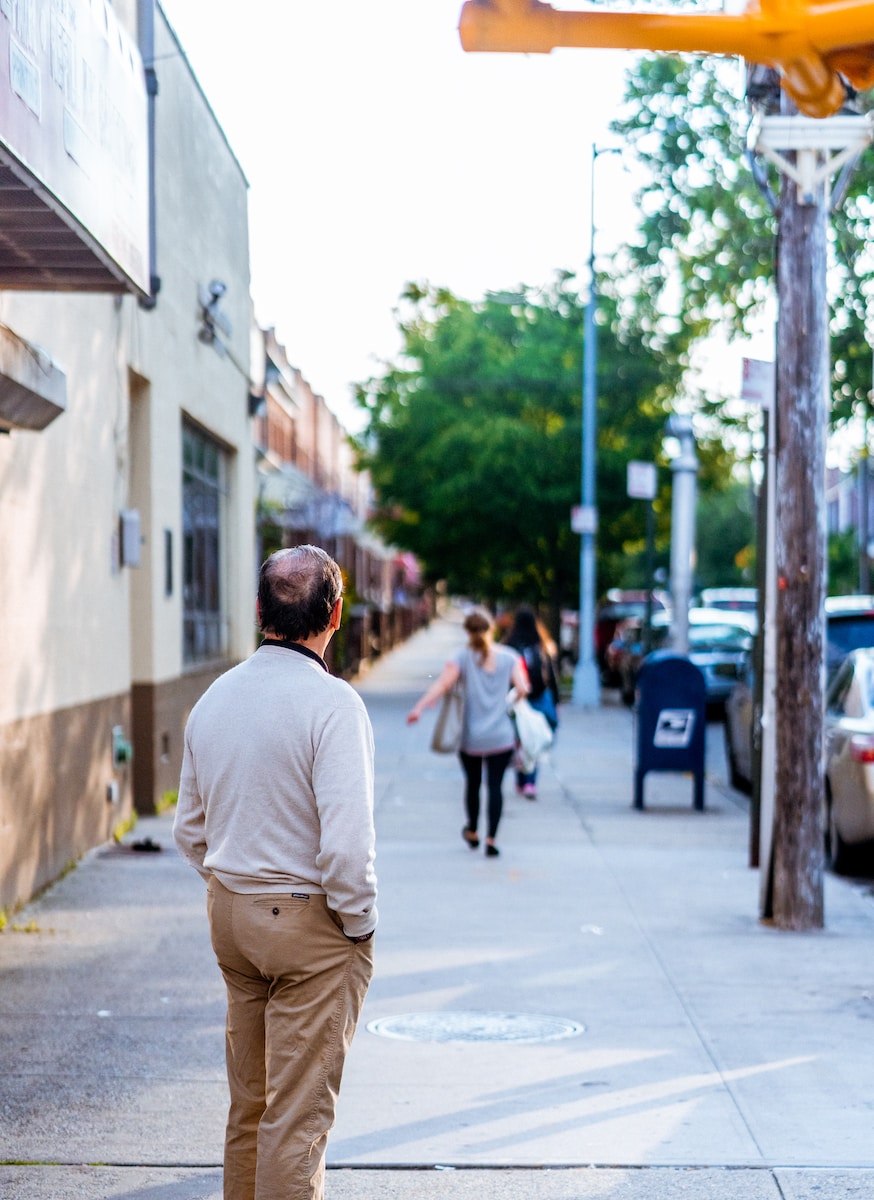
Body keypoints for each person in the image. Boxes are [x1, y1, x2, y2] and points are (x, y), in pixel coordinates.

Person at [173, 545, 377, 1200]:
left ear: (260, 611)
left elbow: (187, 829)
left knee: (252, 1106)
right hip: (307, 927)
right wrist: (359, 925)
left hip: (232, 917)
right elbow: (346, 852)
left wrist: (234, 884)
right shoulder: (332, 705)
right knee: (297, 1117)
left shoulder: (213, 699)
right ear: (336, 614)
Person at [407, 607, 529, 858]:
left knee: (473, 785)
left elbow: (442, 684)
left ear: (468, 632)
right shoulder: (510, 657)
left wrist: (419, 708)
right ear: (491, 629)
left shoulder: (461, 657)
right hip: (501, 737)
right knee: (495, 787)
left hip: (471, 737)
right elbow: (523, 688)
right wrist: (510, 702)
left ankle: (472, 831)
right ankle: (492, 839)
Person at [505, 606, 561, 799]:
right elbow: (552, 678)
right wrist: (556, 702)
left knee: (520, 739)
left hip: (518, 699)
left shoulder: (509, 646)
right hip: (538, 697)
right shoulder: (542, 646)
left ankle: (520, 779)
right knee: (534, 739)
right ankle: (530, 782)